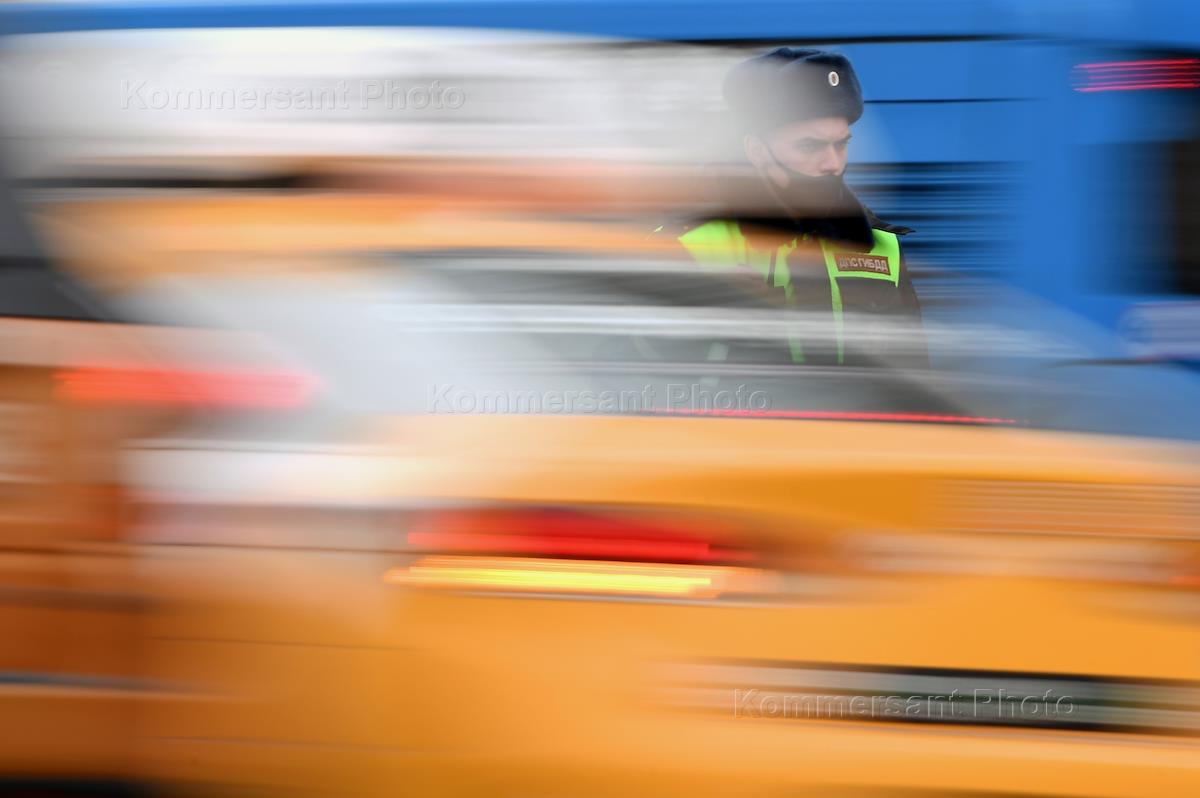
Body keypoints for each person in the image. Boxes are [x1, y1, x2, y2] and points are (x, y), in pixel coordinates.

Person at [668, 47, 927, 367]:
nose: (832, 163)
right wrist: (707, 313)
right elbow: (642, 370)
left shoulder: (882, 246)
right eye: (809, 146)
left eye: (841, 144)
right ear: (756, 150)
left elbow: (914, 373)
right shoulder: (683, 248)